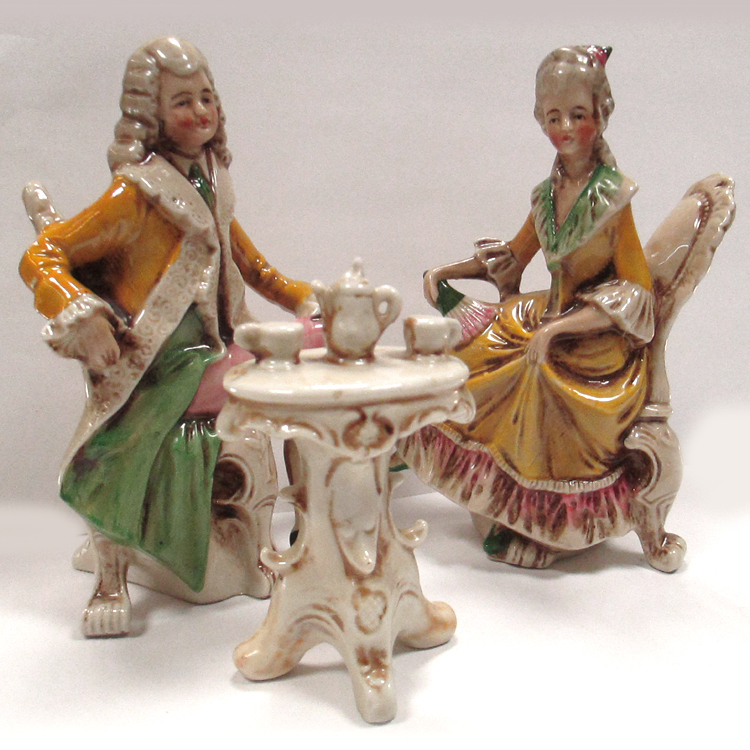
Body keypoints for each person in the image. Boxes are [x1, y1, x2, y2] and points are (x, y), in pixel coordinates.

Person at [20, 37, 317, 634]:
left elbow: (251, 265)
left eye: (206, 97)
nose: (200, 112)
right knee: (286, 373)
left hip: (218, 348)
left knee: (323, 350)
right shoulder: (136, 193)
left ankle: (302, 536)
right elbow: (42, 256)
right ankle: (112, 579)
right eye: (182, 102)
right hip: (161, 367)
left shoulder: (211, 181)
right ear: (150, 115)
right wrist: (79, 310)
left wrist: (308, 301)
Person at [409, 46, 655, 567]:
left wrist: (558, 331)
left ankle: (546, 525)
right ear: (540, 118)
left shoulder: (614, 198)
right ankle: (489, 495)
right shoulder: (545, 196)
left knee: (533, 373)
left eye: (578, 115)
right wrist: (444, 274)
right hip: (544, 316)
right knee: (478, 347)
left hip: (596, 340)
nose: (564, 128)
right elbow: (513, 256)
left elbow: (637, 293)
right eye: (553, 116)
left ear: (602, 115)